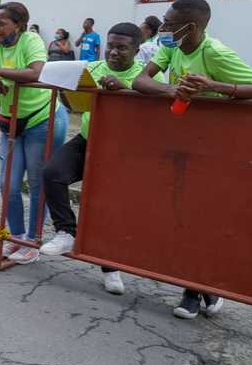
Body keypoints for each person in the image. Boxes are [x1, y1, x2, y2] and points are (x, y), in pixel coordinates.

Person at [132, 0, 252, 319]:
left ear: (190, 28)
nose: (163, 29)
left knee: (199, 219)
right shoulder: (171, 47)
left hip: (216, 149)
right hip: (181, 143)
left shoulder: (215, 53)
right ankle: (205, 289)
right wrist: (170, 90)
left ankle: (191, 294)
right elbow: (140, 80)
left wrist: (215, 86)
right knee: (179, 215)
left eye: (168, 24)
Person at [40, 23, 164, 294]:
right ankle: (66, 233)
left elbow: (154, 111)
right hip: (88, 138)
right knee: (52, 172)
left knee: (103, 206)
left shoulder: (144, 75)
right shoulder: (92, 69)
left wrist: (125, 91)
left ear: (135, 50)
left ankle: (110, 268)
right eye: (110, 46)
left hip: (122, 148)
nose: (114, 52)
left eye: (122, 48)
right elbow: (65, 92)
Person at [0, 2, 69, 264]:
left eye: (1, 23)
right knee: (7, 184)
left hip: (42, 118)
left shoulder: (30, 40)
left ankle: (32, 240)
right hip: (10, 122)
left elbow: (36, 71)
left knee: (35, 182)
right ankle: (17, 237)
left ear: (18, 25)